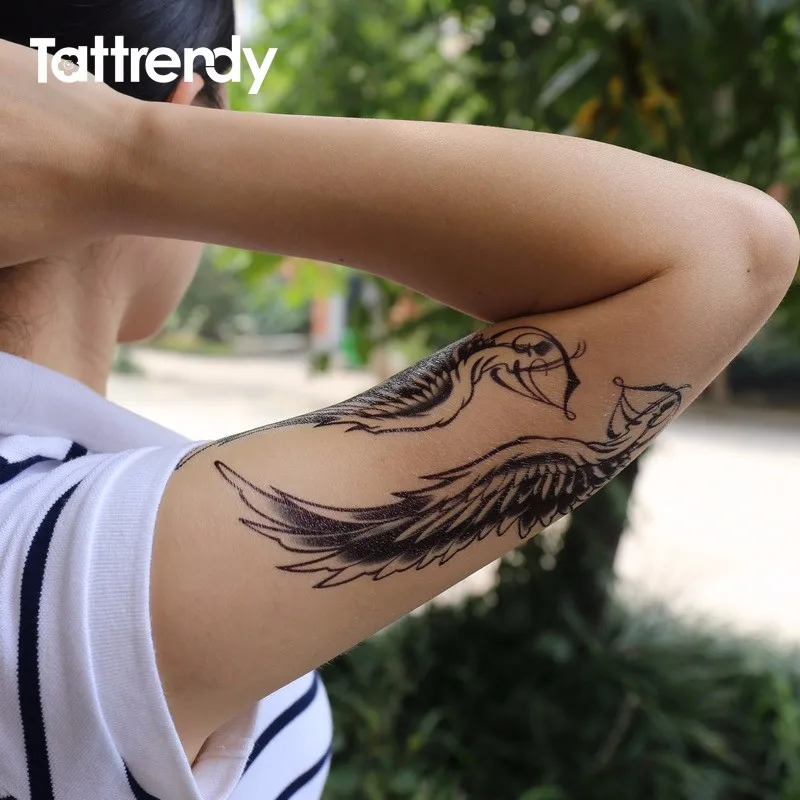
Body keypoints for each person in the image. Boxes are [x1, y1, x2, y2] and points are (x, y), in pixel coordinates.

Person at [0, 2, 798, 796]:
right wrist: (126, 150)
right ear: (185, 107)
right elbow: (729, 252)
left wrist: (128, 151)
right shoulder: (54, 565)